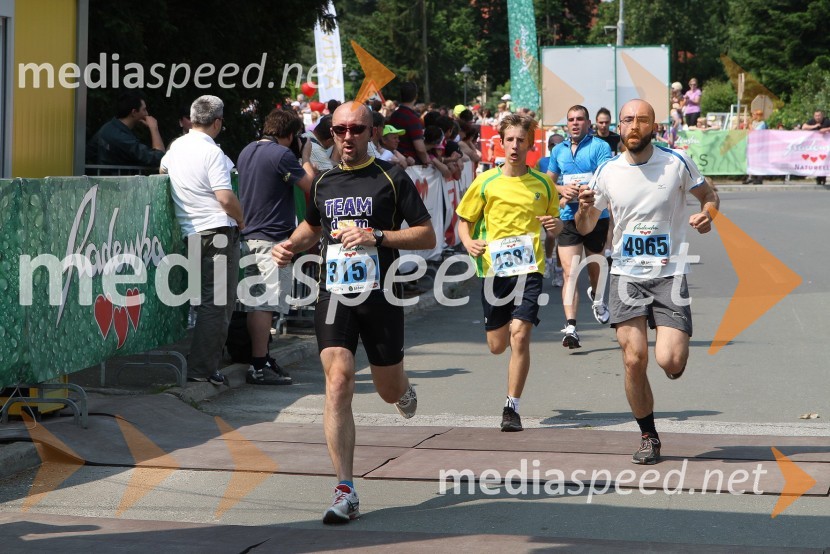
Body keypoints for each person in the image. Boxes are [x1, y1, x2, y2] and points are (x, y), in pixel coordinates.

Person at [270, 102, 435, 524]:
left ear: (371, 132)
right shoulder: (323, 181)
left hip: (382, 297)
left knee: (387, 390)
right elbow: (314, 226)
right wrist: (290, 245)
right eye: (339, 129)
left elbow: (426, 234)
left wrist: (376, 235)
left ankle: (402, 389)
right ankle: (345, 488)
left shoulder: (392, 176)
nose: (347, 136)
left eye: (356, 129)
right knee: (339, 380)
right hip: (335, 294)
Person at [575, 99, 719, 465]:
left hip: (669, 275)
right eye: (627, 120)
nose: (634, 126)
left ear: (654, 125)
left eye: (642, 120)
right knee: (634, 359)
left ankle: (672, 359)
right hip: (625, 275)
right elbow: (586, 227)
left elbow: (709, 195)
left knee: (669, 360)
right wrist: (584, 209)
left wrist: (707, 214)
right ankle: (648, 435)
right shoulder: (606, 171)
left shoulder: (676, 162)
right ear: (618, 127)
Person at [456, 114, 563, 433]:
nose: (515, 146)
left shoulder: (544, 183)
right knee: (496, 344)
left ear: (530, 144)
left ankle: (511, 407)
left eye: (521, 140)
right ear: (501, 144)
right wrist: (468, 242)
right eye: (510, 140)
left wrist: (556, 229)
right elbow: (464, 219)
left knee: (520, 334)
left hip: (531, 269)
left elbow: (554, 227)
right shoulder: (485, 182)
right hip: (494, 270)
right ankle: (499, 338)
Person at [161, 95, 243, 386]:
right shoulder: (212, 153)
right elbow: (224, 197)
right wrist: (243, 220)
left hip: (191, 232)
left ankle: (202, 366)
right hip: (218, 232)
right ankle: (202, 369)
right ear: (217, 122)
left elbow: (162, 172)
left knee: (207, 302)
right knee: (217, 304)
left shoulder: (176, 147)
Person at [237, 109, 315, 386]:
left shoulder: (247, 150)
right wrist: (305, 157)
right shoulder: (282, 155)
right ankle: (258, 364)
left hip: (252, 233)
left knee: (261, 301)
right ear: (291, 134)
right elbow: (309, 185)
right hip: (271, 238)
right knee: (263, 303)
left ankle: (263, 357)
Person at [546, 105, 613, 349]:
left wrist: (587, 190)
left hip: (595, 214)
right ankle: (571, 327)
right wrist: (562, 189)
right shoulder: (558, 150)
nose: (575, 123)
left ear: (588, 123)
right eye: (571, 119)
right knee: (570, 272)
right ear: (567, 124)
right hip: (567, 217)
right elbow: (548, 182)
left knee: (595, 267)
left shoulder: (600, 147)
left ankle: (597, 296)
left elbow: (607, 177)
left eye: (580, 119)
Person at [87, 91, 166, 169]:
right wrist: (154, 128)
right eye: (144, 110)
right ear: (134, 112)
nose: (147, 114)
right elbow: (159, 159)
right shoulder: (121, 138)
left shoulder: (109, 128)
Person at [537, 133, 565, 287]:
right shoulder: (542, 162)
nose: (556, 147)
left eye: (559, 144)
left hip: (566, 206)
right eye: (553, 145)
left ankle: (559, 270)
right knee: (550, 235)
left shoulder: (569, 161)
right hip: (548, 206)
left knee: (562, 239)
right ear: (548, 147)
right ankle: (548, 260)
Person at [389, 81, 430, 165]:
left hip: (398, 160)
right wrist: (427, 161)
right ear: (416, 96)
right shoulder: (412, 118)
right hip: (412, 164)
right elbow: (420, 149)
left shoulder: (393, 115)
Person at [801, 110, 830, 184]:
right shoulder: (812, 121)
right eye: (816, 116)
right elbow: (804, 127)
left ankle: (822, 177)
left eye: (819, 115)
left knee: (824, 161)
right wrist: (815, 126)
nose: (817, 117)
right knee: (816, 162)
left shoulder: (826, 121)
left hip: (825, 146)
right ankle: (819, 177)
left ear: (822, 116)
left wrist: (826, 129)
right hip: (815, 147)